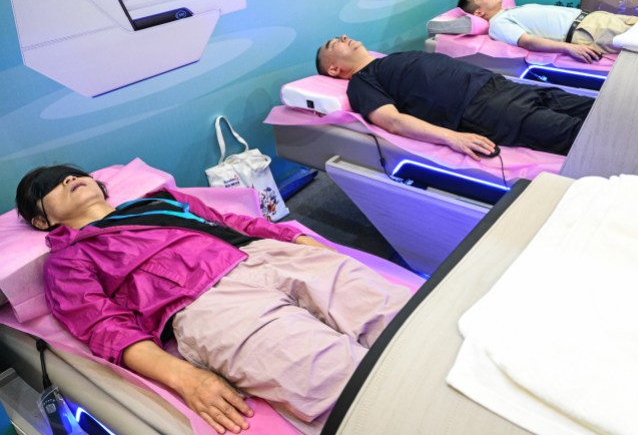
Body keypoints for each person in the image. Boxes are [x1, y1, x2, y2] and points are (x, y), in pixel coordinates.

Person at [16, 165, 411, 435]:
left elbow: (234, 223)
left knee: (399, 321)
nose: (68, 178)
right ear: (41, 221)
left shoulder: (161, 199)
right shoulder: (69, 259)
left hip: (264, 255)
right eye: (50, 185)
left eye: (72, 173)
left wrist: (300, 240)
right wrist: (184, 377)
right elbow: (104, 328)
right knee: (335, 380)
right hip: (205, 304)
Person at [315, 35, 595, 157]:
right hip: (485, 109)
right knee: (583, 137)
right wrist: (452, 137)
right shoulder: (361, 84)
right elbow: (393, 121)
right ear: (334, 68)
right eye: (334, 43)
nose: (343, 37)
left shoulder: (387, 61)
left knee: (598, 110)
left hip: (502, 86)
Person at [457, 0, 638, 64]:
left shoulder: (509, 11)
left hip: (595, 19)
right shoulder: (497, 24)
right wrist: (570, 48)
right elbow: (527, 41)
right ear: (479, 13)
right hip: (589, 31)